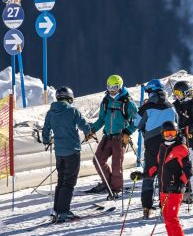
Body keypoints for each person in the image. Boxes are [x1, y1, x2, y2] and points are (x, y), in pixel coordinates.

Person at [131, 121, 193, 236]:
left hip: (175, 190)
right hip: (164, 189)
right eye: (167, 133)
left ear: (177, 133)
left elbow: (188, 171)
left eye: (172, 133)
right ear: (162, 134)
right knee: (167, 219)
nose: (170, 136)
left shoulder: (181, 148)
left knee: (172, 218)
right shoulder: (162, 147)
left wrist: (179, 184)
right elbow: (157, 167)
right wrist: (142, 175)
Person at [41, 87, 93, 223]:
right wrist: (89, 131)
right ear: (69, 98)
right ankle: (64, 212)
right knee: (69, 182)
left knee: (61, 180)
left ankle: (57, 210)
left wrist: (47, 141)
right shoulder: (72, 110)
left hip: (59, 152)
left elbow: (45, 131)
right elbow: (84, 125)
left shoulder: (50, 112)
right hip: (72, 151)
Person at [86, 75, 138, 198]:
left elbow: (138, 120)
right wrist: (92, 130)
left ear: (120, 86)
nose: (111, 90)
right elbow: (101, 119)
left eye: (114, 87)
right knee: (98, 160)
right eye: (109, 87)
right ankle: (107, 183)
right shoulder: (106, 101)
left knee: (116, 165)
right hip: (107, 136)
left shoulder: (128, 102)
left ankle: (115, 189)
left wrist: (128, 132)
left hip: (120, 138)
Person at [136, 79, 178, 218]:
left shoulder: (146, 107)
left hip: (151, 146)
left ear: (152, 91)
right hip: (168, 146)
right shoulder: (171, 106)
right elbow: (177, 124)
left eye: (148, 91)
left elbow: (136, 123)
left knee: (149, 174)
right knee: (164, 175)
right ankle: (164, 206)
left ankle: (147, 207)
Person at [172, 80, 193, 202]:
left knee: (189, 166)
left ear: (186, 93)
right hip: (181, 140)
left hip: (192, 140)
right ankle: (188, 190)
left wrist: (184, 130)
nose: (176, 96)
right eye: (174, 93)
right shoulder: (177, 104)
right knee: (181, 166)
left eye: (178, 93)